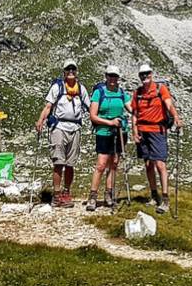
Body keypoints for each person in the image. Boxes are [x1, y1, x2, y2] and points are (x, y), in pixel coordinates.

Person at [36, 59, 90, 208]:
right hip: (59, 126)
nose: (71, 71)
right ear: (64, 72)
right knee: (59, 162)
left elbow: (90, 107)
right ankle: (57, 194)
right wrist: (41, 120)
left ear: (76, 71)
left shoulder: (81, 89)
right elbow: (48, 106)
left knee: (71, 163)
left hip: (75, 128)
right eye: (68, 69)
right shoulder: (57, 87)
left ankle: (66, 193)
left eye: (73, 69)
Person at [131, 63, 182, 214]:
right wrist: (134, 131)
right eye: (142, 74)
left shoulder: (161, 89)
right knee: (148, 164)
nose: (145, 76)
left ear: (151, 74)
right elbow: (134, 113)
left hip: (157, 131)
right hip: (142, 131)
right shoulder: (137, 92)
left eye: (147, 73)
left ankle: (165, 199)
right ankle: (154, 195)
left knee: (160, 164)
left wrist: (176, 117)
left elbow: (168, 104)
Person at [86, 65, 132, 211]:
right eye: (110, 76)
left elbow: (132, 108)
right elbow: (93, 116)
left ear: (118, 78)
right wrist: (109, 122)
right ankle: (92, 196)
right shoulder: (99, 92)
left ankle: (108, 194)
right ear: (106, 76)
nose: (112, 79)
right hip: (104, 132)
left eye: (115, 76)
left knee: (114, 163)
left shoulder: (122, 93)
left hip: (119, 132)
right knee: (101, 164)